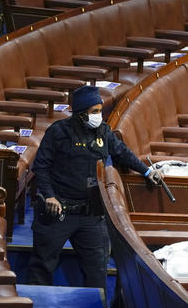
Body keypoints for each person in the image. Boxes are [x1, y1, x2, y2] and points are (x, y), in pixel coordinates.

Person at [28, 85, 163, 289]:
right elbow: (41, 166)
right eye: (94, 112)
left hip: (90, 213)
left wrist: (146, 171)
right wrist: (49, 196)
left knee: (97, 269)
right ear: (81, 114)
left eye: (99, 110)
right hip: (58, 210)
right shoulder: (58, 132)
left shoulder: (104, 132)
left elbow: (123, 153)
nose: (98, 116)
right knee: (42, 266)